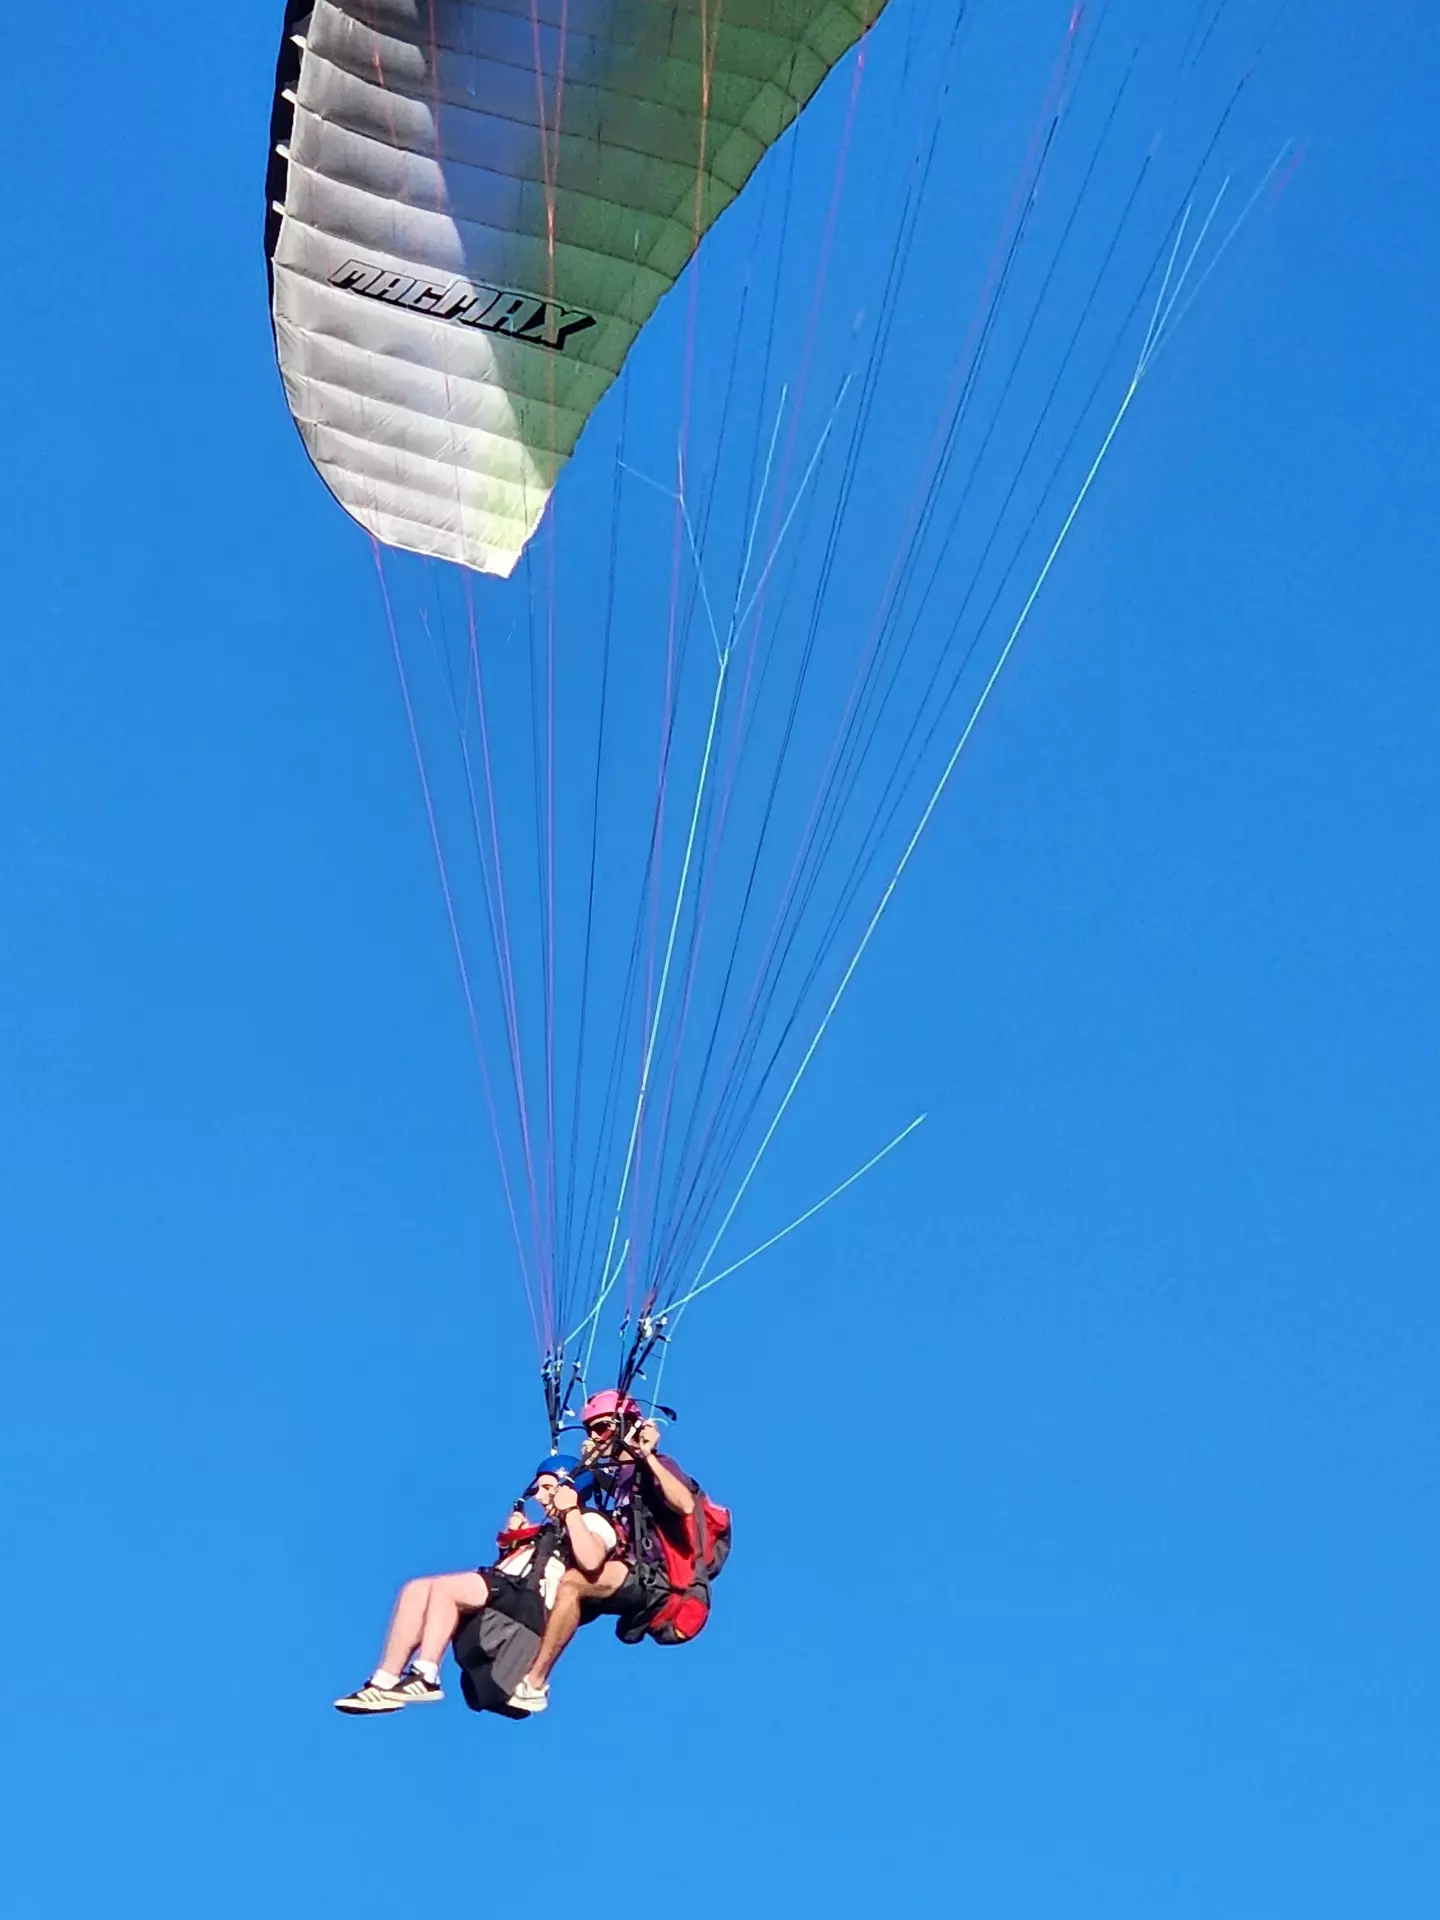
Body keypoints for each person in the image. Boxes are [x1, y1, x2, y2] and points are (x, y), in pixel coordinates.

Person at [333, 1457, 618, 1714]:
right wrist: (515, 1541)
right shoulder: (546, 1530)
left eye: (547, 1489)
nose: (540, 1498)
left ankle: (426, 1676)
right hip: (509, 1591)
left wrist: (570, 1512)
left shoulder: (591, 1520)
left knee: (445, 1591)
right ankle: (384, 1681)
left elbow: (591, 1560)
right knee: (416, 1589)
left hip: (530, 1603)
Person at [505, 1391, 698, 1714]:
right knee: (548, 1594)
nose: (595, 1436)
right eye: (591, 1429)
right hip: (631, 1572)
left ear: (628, 1426)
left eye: (603, 1427)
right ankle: (510, 1666)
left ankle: (534, 1684)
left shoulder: (657, 1466)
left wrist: (647, 1456)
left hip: (658, 1581)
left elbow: (685, 1504)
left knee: (573, 1583)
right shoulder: (618, 1479)